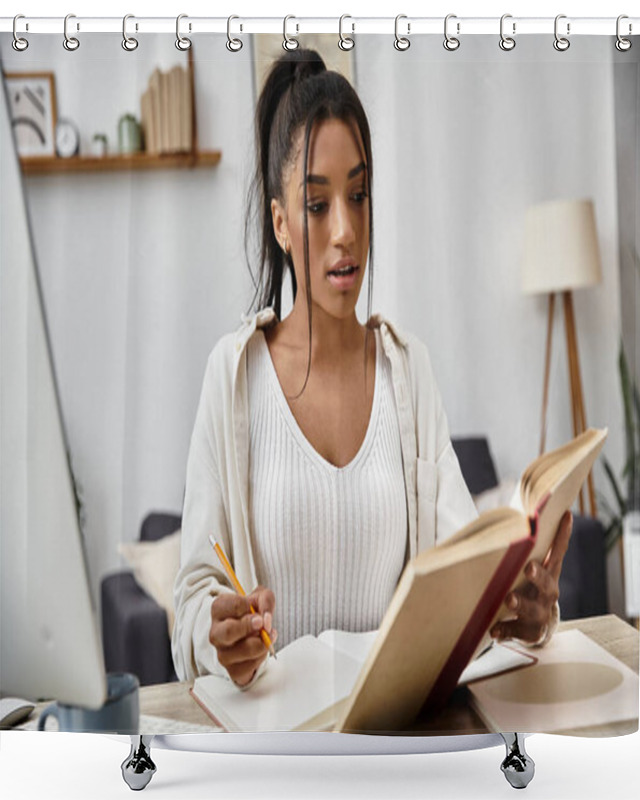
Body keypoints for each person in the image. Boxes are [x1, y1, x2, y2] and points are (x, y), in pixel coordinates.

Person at [172, 49, 569, 690]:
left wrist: (519, 605)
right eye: (318, 203)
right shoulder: (233, 376)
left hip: (393, 742)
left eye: (358, 196)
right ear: (279, 222)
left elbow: (467, 565)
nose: (346, 231)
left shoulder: (407, 373)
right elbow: (192, 597)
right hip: (277, 755)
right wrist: (212, 633)